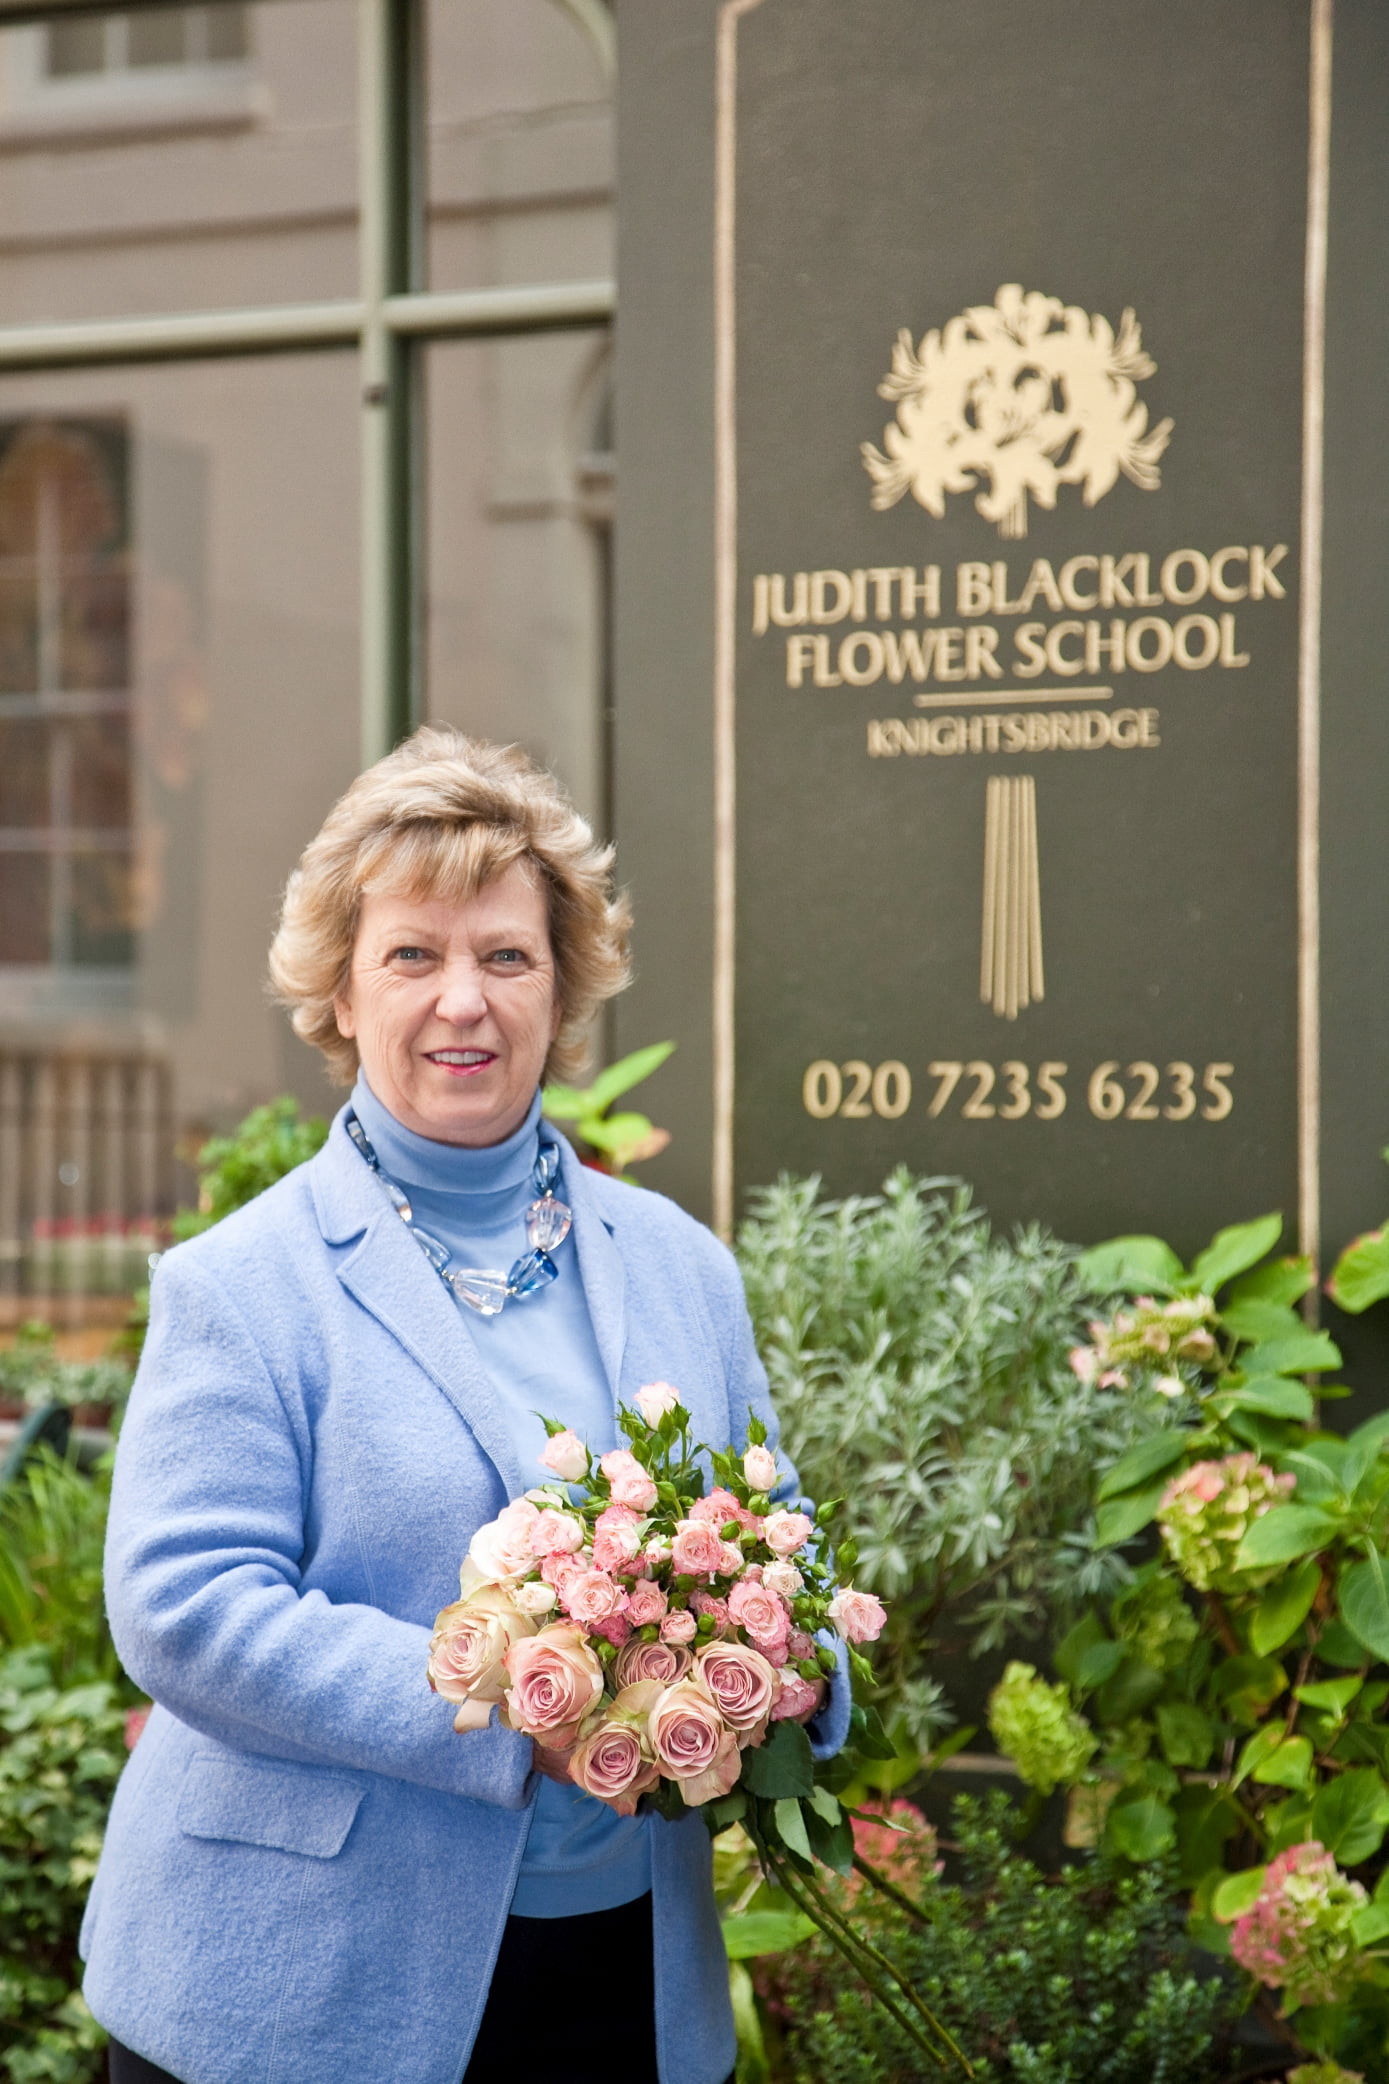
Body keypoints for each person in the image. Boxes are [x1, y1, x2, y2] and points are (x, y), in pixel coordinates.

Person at [81, 729, 846, 2084]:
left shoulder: (678, 1261)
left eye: (505, 956)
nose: (463, 1001)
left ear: (562, 991)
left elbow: (771, 1525)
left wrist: (785, 1670)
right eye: (412, 955)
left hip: (619, 1966)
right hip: (308, 1983)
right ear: (338, 987)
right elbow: (183, 1608)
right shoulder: (243, 1285)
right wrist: (511, 1700)